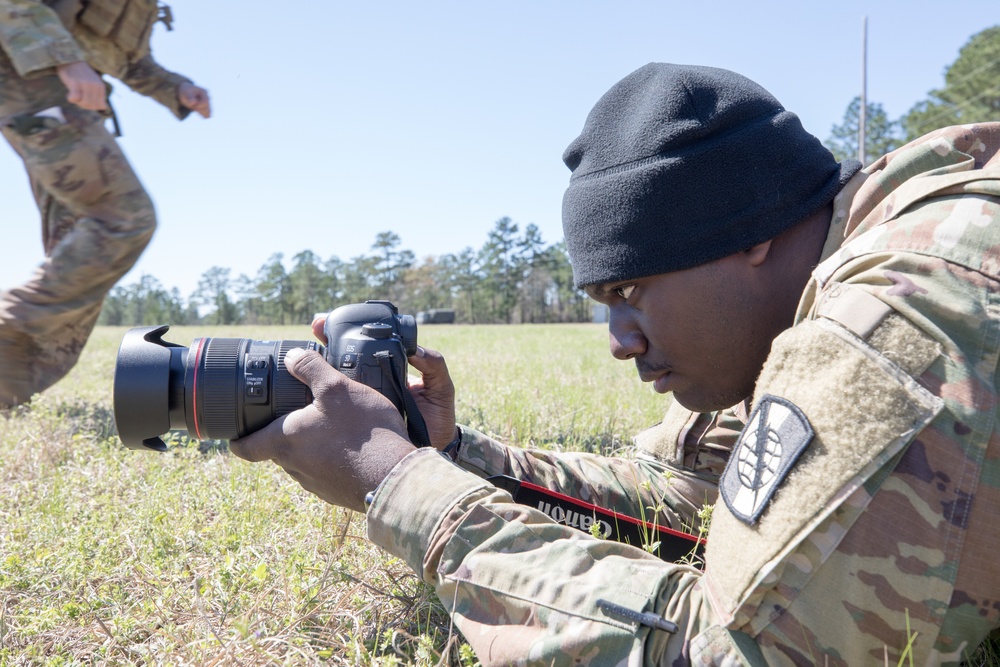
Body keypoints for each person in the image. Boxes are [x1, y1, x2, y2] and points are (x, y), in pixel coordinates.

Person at [229, 63, 1000, 665]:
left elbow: (739, 651)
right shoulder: (798, 296)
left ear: (752, 233)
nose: (617, 339)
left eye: (631, 289)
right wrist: (452, 457)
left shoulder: (901, 318)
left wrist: (401, 488)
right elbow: (693, 496)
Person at [0, 0, 210, 408]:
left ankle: (5, 386)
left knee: (79, 250)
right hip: (32, 76)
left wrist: (175, 89)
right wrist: (65, 61)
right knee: (122, 217)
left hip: (53, 85)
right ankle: (9, 324)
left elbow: (122, 55)